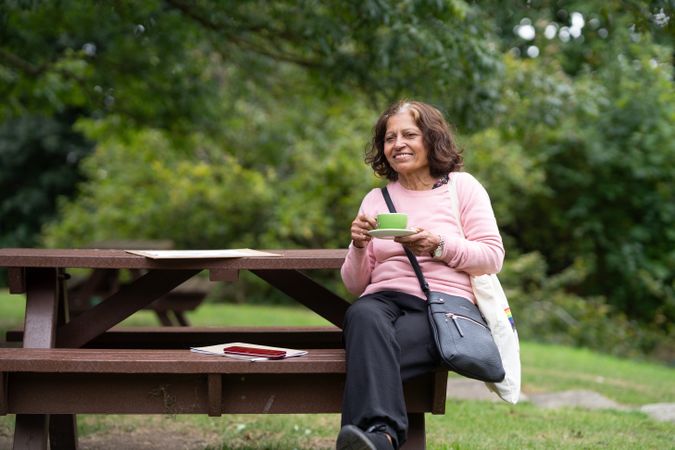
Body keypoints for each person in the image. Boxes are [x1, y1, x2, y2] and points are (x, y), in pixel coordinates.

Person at [336, 100, 505, 450]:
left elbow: (492, 256)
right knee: (361, 313)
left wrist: (438, 245)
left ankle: (375, 437)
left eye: (409, 134)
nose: (397, 144)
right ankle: (381, 438)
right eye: (389, 137)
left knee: (372, 359)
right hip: (382, 301)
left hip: (441, 305)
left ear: (431, 138)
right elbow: (355, 285)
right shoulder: (376, 198)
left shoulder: (461, 187)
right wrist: (357, 245)